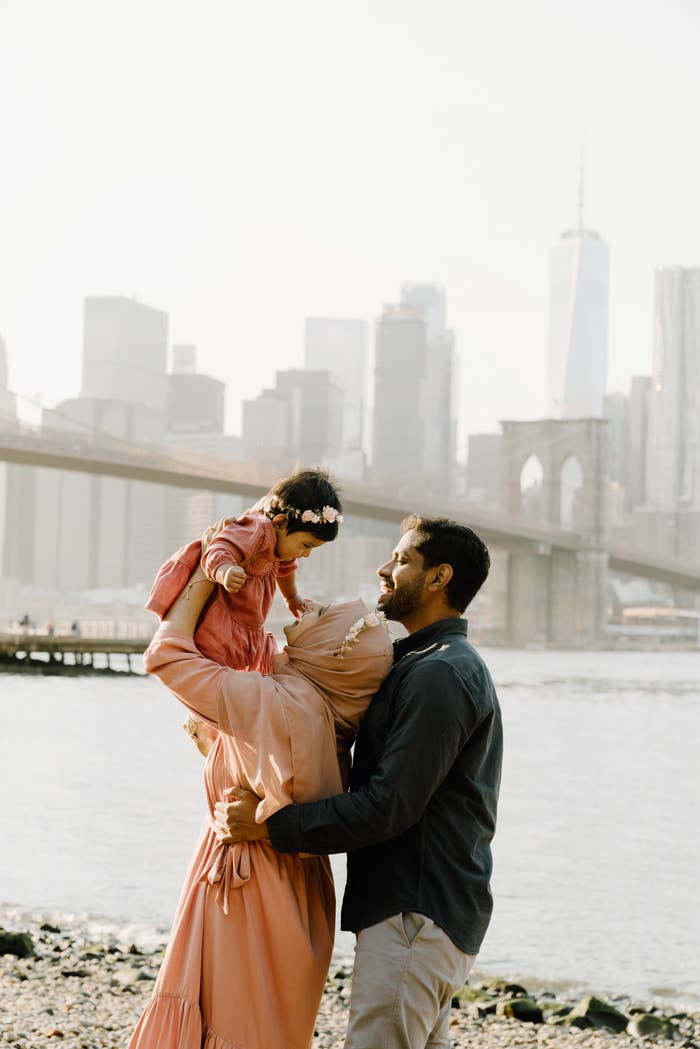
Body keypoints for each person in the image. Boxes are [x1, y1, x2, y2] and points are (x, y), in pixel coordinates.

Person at [215, 515, 503, 1049]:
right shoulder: (419, 663)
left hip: (416, 914)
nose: (383, 569)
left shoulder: (440, 673)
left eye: (401, 560)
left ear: (439, 578)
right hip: (426, 913)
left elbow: (387, 806)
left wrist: (270, 828)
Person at [128, 549, 393, 1049]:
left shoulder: (276, 701)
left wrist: (204, 578)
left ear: (335, 653)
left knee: (231, 1023)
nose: (309, 612)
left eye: (324, 618)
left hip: (249, 887)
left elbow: (164, 656)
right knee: (268, 1027)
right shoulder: (327, 714)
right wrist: (219, 748)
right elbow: (280, 776)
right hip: (299, 892)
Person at [146, 468, 343, 754]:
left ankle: (214, 735)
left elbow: (286, 570)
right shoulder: (258, 528)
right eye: (306, 544)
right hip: (225, 617)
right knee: (214, 668)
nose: (307, 553)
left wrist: (292, 598)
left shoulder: (280, 545)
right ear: (280, 523)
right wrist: (224, 570)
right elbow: (219, 545)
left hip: (249, 625)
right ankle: (201, 723)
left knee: (238, 675)